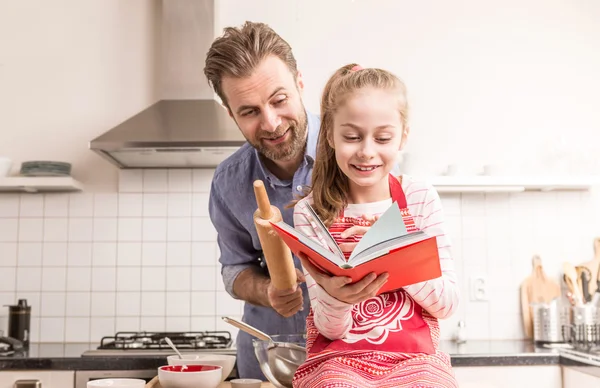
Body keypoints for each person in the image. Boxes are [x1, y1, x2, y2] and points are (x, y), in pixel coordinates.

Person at [291, 64, 460, 387]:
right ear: (330, 135)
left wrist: (397, 253)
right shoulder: (310, 213)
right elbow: (329, 329)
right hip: (338, 362)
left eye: (383, 137)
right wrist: (338, 296)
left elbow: (447, 303)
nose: (367, 152)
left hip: (416, 362)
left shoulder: (419, 197)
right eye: (352, 137)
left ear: (402, 137)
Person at [203, 21, 321, 380]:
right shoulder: (228, 183)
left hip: (356, 361)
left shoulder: (356, 153)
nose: (270, 123)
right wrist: (267, 289)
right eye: (249, 111)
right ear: (231, 114)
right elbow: (234, 269)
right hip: (269, 364)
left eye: (279, 100)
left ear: (300, 84)